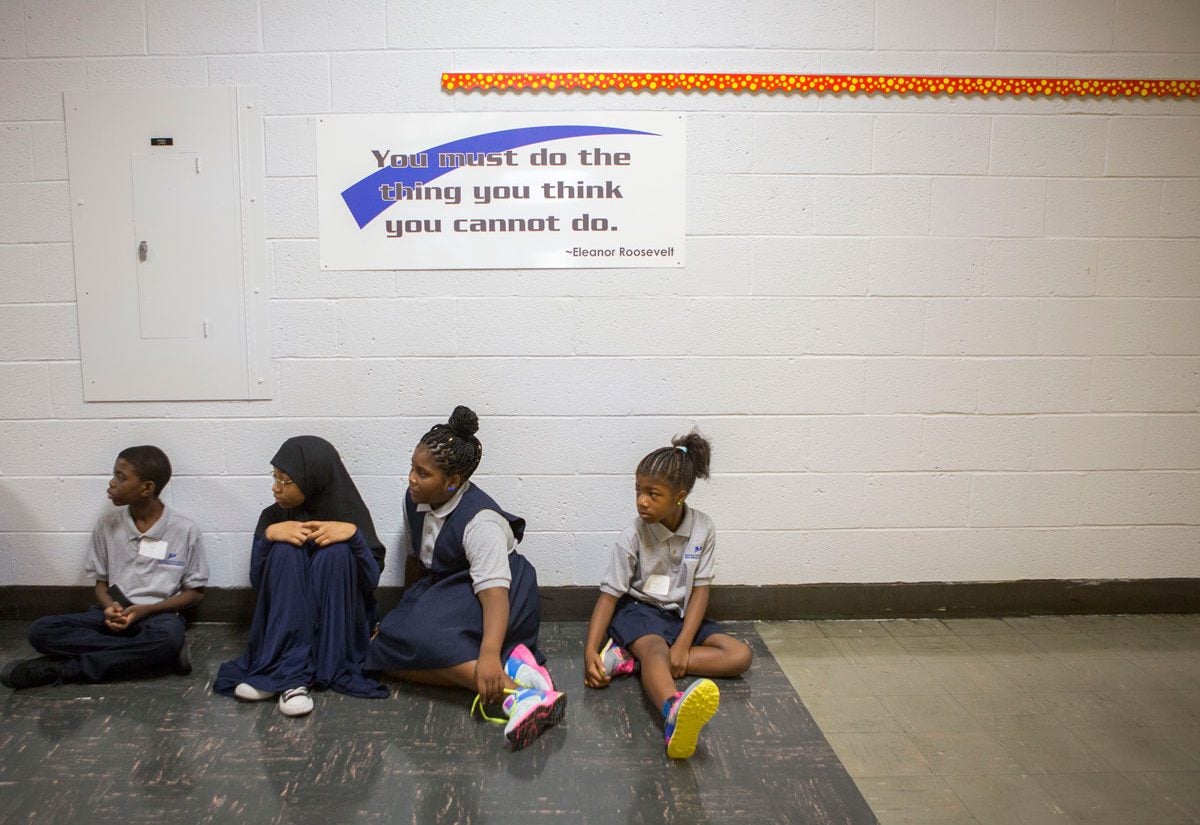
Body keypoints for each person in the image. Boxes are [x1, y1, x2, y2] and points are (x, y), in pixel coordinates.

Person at [366, 406, 564, 749]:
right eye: (412, 468)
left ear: (452, 482)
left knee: (429, 642)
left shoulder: (480, 523)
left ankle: (517, 697)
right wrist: (406, 614)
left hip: (501, 594)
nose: (412, 478)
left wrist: (487, 652)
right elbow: (421, 561)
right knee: (378, 647)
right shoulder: (415, 499)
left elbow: (494, 594)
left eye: (423, 473)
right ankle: (511, 669)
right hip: (450, 585)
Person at [583, 430, 753, 759]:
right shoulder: (632, 535)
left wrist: (685, 644)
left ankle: (638, 663)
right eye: (638, 491)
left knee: (739, 655)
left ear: (680, 495)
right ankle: (673, 711)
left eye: (653, 493)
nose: (641, 501)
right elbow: (608, 596)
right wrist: (590, 649)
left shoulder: (704, 528)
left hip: (680, 616)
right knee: (656, 650)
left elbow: (701, 591)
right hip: (640, 613)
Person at [1, 445, 207, 690]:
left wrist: (148, 609)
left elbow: (195, 592)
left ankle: (65, 669)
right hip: (112, 614)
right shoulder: (107, 524)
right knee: (41, 631)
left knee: (168, 638)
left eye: (121, 477)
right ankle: (153, 660)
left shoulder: (184, 530)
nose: (111, 483)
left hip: (157, 618)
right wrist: (110, 608)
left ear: (146, 488)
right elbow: (101, 584)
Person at [213, 435, 388, 716]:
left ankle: (293, 676)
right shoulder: (272, 517)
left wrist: (354, 536)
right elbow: (258, 581)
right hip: (287, 623)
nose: (276, 488)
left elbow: (370, 583)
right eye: (275, 477)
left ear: (313, 480)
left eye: (286, 481)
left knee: (336, 552)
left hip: (335, 629)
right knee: (285, 550)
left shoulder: (350, 515)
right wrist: (268, 538)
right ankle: (288, 671)